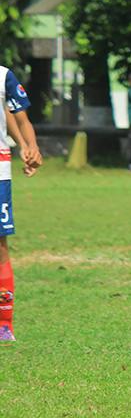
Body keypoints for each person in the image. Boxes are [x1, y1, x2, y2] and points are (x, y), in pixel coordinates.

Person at [0, 64, 42, 342]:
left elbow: (16, 114)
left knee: (0, 246)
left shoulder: (3, 76)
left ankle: (4, 325)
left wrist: (29, 145)